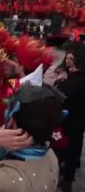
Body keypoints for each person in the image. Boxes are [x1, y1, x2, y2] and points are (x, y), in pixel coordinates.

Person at [55, 42, 85, 192]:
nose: (67, 60)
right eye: (67, 57)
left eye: (70, 58)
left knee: (69, 148)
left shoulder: (74, 80)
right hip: (76, 120)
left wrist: (61, 83)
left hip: (72, 120)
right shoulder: (72, 77)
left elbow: (64, 97)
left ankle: (67, 178)